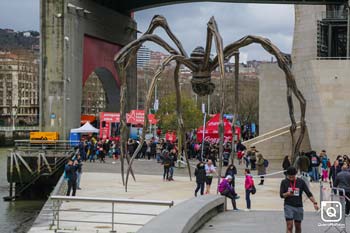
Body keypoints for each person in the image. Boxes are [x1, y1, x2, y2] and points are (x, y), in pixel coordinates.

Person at [280, 166, 319, 233]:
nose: (291, 178)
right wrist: (287, 194)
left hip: (298, 206)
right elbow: (281, 195)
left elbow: (308, 193)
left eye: (292, 176)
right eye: (289, 176)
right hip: (288, 205)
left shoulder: (301, 182)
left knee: (298, 226)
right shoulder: (284, 182)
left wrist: (314, 203)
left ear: (295, 175)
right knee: (289, 226)